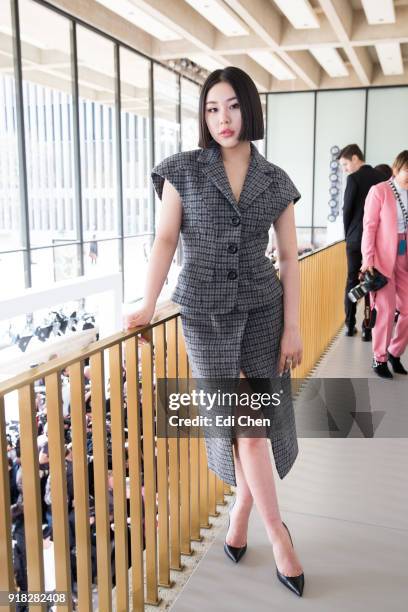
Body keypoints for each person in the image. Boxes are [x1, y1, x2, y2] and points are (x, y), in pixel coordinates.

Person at [123, 66, 305, 597]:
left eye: (231, 106)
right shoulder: (182, 170)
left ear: (249, 107)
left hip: (263, 313)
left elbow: (291, 257)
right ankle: (267, 524)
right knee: (236, 426)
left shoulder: (276, 180)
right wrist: (147, 303)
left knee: (249, 425)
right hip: (203, 316)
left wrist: (293, 327)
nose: (222, 119)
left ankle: (259, 521)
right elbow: (164, 241)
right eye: (211, 109)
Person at [361, 150, 408, 379]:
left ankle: (394, 352)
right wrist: (367, 260)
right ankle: (379, 358)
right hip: (381, 259)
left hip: (404, 256)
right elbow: (369, 227)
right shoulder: (379, 191)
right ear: (397, 168)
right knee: (387, 311)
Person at [338, 144, 383, 339]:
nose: (345, 169)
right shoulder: (381, 178)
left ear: (356, 158)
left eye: (345, 164)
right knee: (371, 283)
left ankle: (349, 325)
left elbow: (346, 210)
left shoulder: (353, 179)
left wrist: (348, 234)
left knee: (352, 281)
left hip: (356, 240)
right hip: (376, 240)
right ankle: (368, 329)